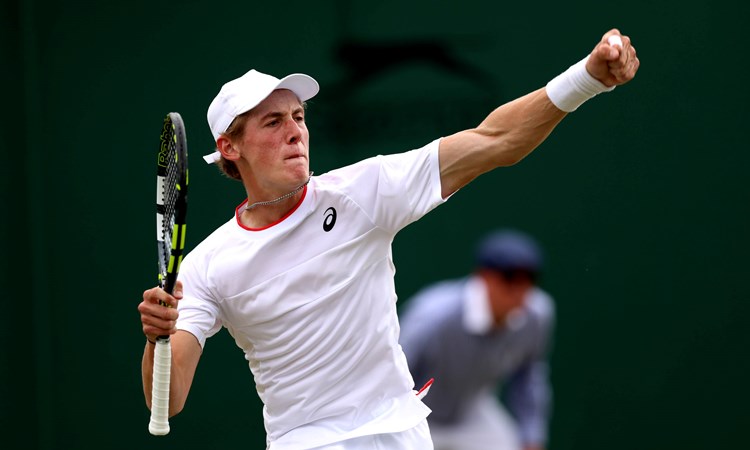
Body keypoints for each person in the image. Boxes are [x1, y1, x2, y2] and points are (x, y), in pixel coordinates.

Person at [138, 29, 639, 450]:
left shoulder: (362, 192)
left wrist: (588, 78)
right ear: (230, 146)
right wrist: (157, 337)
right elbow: (170, 397)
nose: (295, 132)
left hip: (398, 433)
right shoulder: (206, 265)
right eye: (273, 122)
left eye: (299, 117)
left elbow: (495, 141)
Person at [399, 229, 554, 450]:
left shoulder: (537, 315)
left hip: (473, 415)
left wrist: (531, 435)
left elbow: (528, 377)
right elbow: (393, 376)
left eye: (529, 280)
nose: (520, 291)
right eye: (509, 278)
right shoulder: (434, 316)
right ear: (484, 277)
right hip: (413, 419)